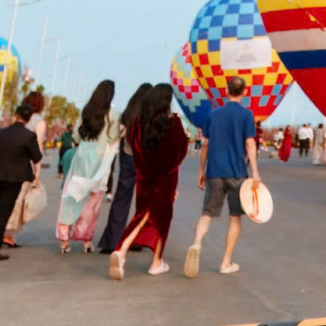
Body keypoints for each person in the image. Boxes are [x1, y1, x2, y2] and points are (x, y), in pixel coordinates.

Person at [109, 84, 190, 279]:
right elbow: (180, 153)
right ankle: (156, 262)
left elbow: (135, 152)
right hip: (166, 178)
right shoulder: (175, 124)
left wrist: (143, 170)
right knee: (162, 220)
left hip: (145, 177)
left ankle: (121, 250)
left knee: (142, 215)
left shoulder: (138, 125)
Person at [186, 74, 260, 278]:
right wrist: (255, 172)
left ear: (226, 91)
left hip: (214, 171)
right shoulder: (247, 115)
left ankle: (196, 243)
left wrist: (202, 170)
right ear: (244, 92)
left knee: (207, 213)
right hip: (237, 173)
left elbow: (206, 145)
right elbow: (250, 143)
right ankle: (225, 262)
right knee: (235, 217)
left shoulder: (213, 114)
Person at [57, 80, 121, 254]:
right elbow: (112, 137)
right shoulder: (113, 115)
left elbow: (77, 136)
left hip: (80, 161)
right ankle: (86, 240)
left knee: (71, 198)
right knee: (92, 204)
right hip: (100, 164)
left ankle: (64, 239)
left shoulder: (86, 111)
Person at [0, 102, 43, 262]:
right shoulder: (29, 136)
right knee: (2, 214)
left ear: (16, 115)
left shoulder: (0, 132)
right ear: (28, 119)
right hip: (13, 180)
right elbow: (37, 157)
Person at [96, 83, 150, 254]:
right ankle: (137, 239)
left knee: (121, 199)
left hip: (127, 156)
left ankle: (111, 241)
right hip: (144, 160)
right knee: (143, 200)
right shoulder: (147, 115)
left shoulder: (127, 114)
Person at [1, 90, 48, 249]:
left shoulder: (19, 118)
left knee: (8, 199)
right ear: (41, 105)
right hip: (25, 165)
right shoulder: (39, 122)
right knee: (20, 201)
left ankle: (1, 232)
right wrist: (38, 171)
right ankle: (8, 235)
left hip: (9, 163)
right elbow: (38, 148)